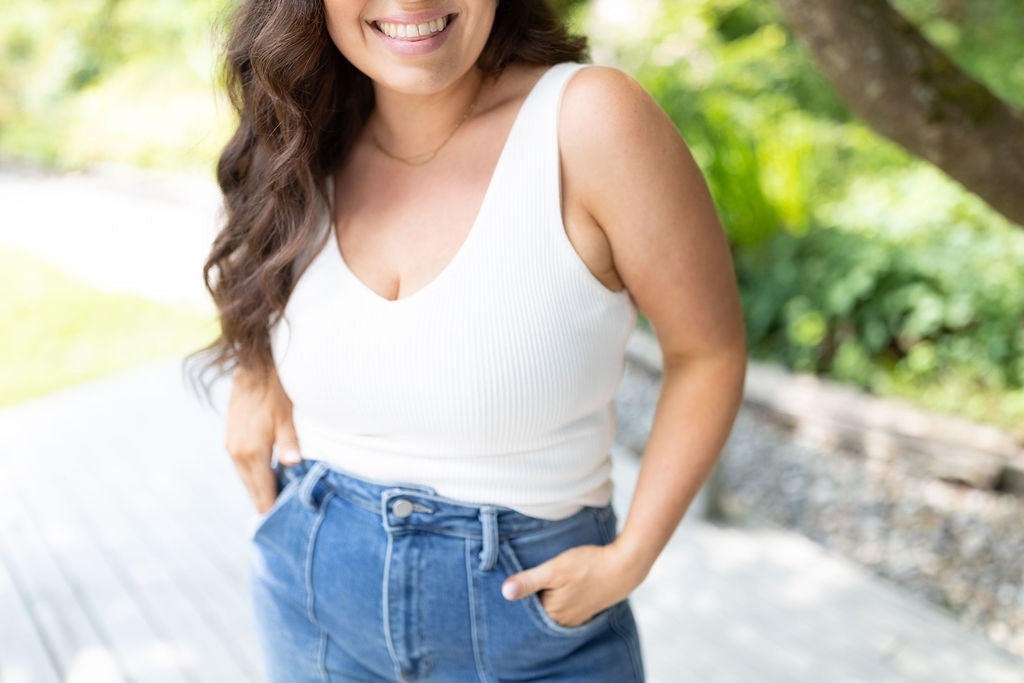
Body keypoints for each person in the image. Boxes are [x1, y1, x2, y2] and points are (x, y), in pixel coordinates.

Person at [187, 0, 747, 680]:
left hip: (535, 617)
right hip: (312, 594)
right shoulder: (305, 127)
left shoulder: (587, 121)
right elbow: (274, 281)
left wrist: (632, 554)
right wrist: (257, 366)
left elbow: (708, 352)